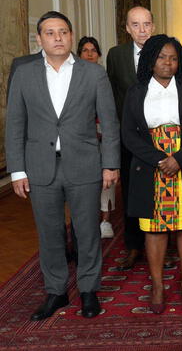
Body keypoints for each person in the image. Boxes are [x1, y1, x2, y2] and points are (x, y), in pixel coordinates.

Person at [5, 11, 120, 320]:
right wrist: (17, 169)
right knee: (49, 232)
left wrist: (110, 164)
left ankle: (88, 291)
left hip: (84, 165)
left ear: (71, 36)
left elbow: (109, 122)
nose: (57, 37)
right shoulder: (24, 73)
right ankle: (56, 292)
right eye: (50, 32)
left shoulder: (93, 74)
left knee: (87, 231)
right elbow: (15, 124)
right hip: (40, 166)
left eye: (63, 32)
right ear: (40, 38)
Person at [121, 34, 182, 313]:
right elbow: (128, 135)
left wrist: (179, 159)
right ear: (150, 61)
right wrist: (161, 159)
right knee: (155, 228)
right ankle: (158, 285)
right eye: (161, 57)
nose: (167, 63)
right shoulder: (136, 92)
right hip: (151, 168)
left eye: (173, 58)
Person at [107, 6, 155, 270]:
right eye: (135, 25)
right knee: (132, 193)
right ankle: (134, 246)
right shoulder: (116, 56)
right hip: (128, 139)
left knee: (162, 193)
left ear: (153, 26)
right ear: (127, 28)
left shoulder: (166, 51)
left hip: (161, 138)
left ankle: (164, 248)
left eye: (146, 24)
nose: (142, 30)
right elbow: (112, 96)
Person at [78, 36, 115, 239]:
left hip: (101, 137)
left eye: (93, 50)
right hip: (80, 140)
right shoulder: (72, 78)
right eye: (85, 50)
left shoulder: (104, 77)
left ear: (99, 55)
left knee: (105, 181)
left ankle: (105, 220)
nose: (89, 53)